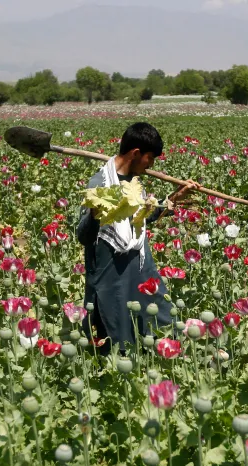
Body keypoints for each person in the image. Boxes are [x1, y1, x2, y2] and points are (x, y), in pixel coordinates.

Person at [76, 122, 198, 355]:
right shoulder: (99, 185)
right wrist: (94, 214)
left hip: (141, 269)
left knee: (164, 324)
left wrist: (174, 198)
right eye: (150, 158)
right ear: (135, 153)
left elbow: (140, 218)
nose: (151, 165)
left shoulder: (133, 184)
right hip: (112, 276)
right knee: (118, 342)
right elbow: (83, 236)